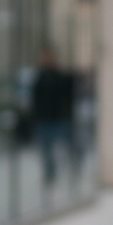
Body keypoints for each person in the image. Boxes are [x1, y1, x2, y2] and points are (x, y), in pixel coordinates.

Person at [32, 48, 75, 184]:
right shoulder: (39, 77)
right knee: (46, 150)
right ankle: (50, 174)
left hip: (59, 118)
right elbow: (35, 99)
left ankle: (67, 172)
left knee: (63, 148)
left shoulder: (60, 77)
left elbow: (68, 98)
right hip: (44, 119)